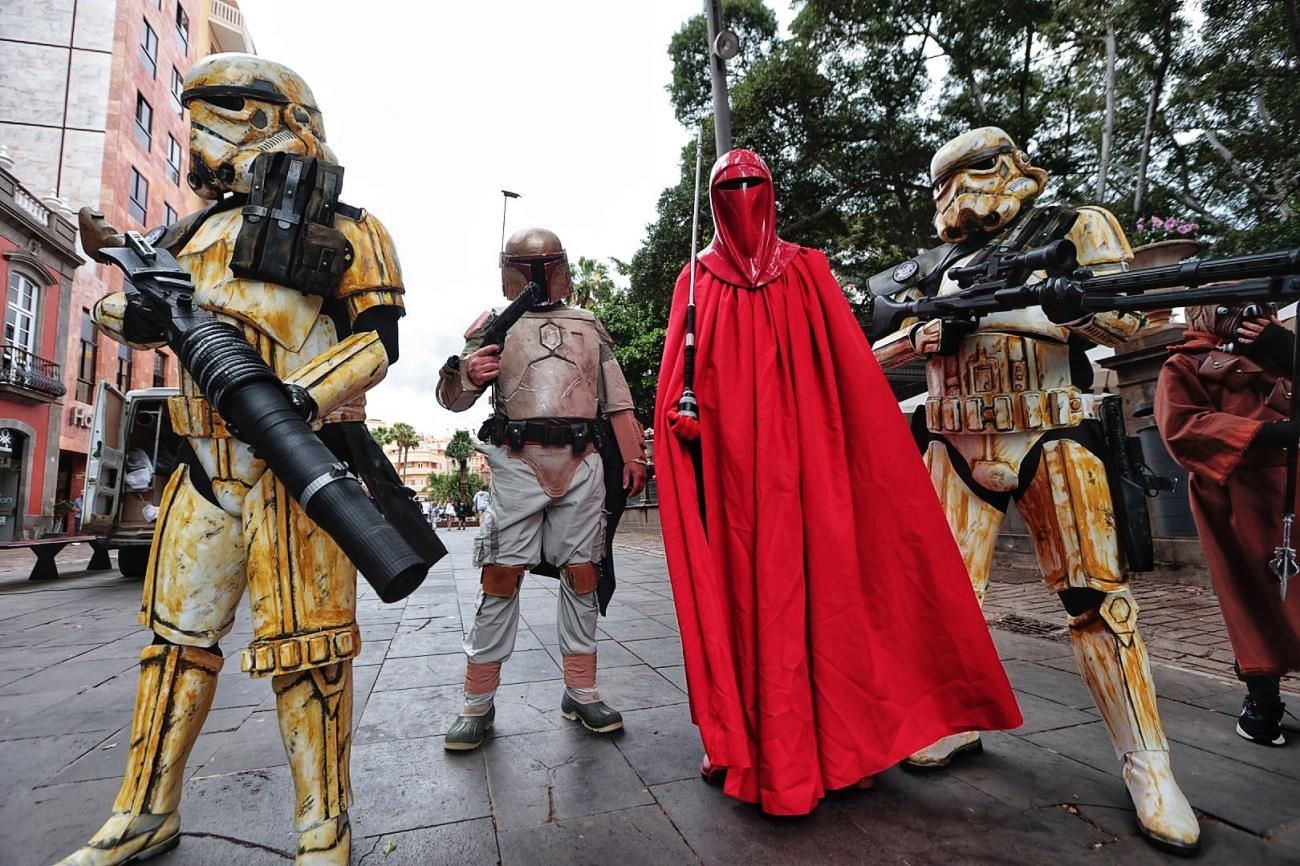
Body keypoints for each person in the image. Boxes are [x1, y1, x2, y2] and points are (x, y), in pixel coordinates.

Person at [57, 54, 417, 866]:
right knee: (173, 646)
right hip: (204, 467)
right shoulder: (184, 234)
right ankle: (144, 809)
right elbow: (127, 311)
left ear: (275, 118)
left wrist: (301, 397)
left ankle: (323, 825)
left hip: (297, 465)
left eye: (220, 110)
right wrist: (144, 302)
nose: (198, 131)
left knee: (311, 653)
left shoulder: (351, 228)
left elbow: (376, 343)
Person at [654, 148, 1022, 817]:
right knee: (746, 605)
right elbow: (679, 381)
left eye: (753, 185)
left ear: (771, 191)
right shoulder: (696, 282)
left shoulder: (807, 269)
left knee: (830, 599)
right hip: (737, 482)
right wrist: (688, 424)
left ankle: (839, 748)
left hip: (812, 470)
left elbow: (850, 372)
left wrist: (855, 458)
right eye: (729, 187)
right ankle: (751, 746)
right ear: (712, 200)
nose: (743, 197)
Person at [870, 127, 1199, 853]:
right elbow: (878, 348)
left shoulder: (1073, 228)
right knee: (947, 603)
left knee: (1096, 600)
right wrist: (922, 337)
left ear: (1014, 167)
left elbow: (1130, 316)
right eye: (946, 179)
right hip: (955, 442)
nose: (958, 189)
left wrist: (1056, 307)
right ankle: (954, 716)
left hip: (1051, 431)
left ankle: (1148, 762)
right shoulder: (934, 265)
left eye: (973, 170)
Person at [437, 227, 647, 749]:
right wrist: (468, 369)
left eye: (545, 264)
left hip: (581, 460)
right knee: (502, 575)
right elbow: (453, 400)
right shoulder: (493, 327)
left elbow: (616, 400)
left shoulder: (588, 325)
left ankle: (581, 690)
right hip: (516, 460)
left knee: (582, 575)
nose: (536, 275)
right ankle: (476, 703)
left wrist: (636, 456)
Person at [1155, 303, 1300, 746]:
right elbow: (1182, 425)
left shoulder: (1280, 354)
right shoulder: (1185, 362)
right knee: (1251, 594)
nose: (1245, 315)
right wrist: (1262, 434)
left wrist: (1292, 350)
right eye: (1229, 308)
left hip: (1296, 484)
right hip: (1236, 496)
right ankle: (1262, 699)